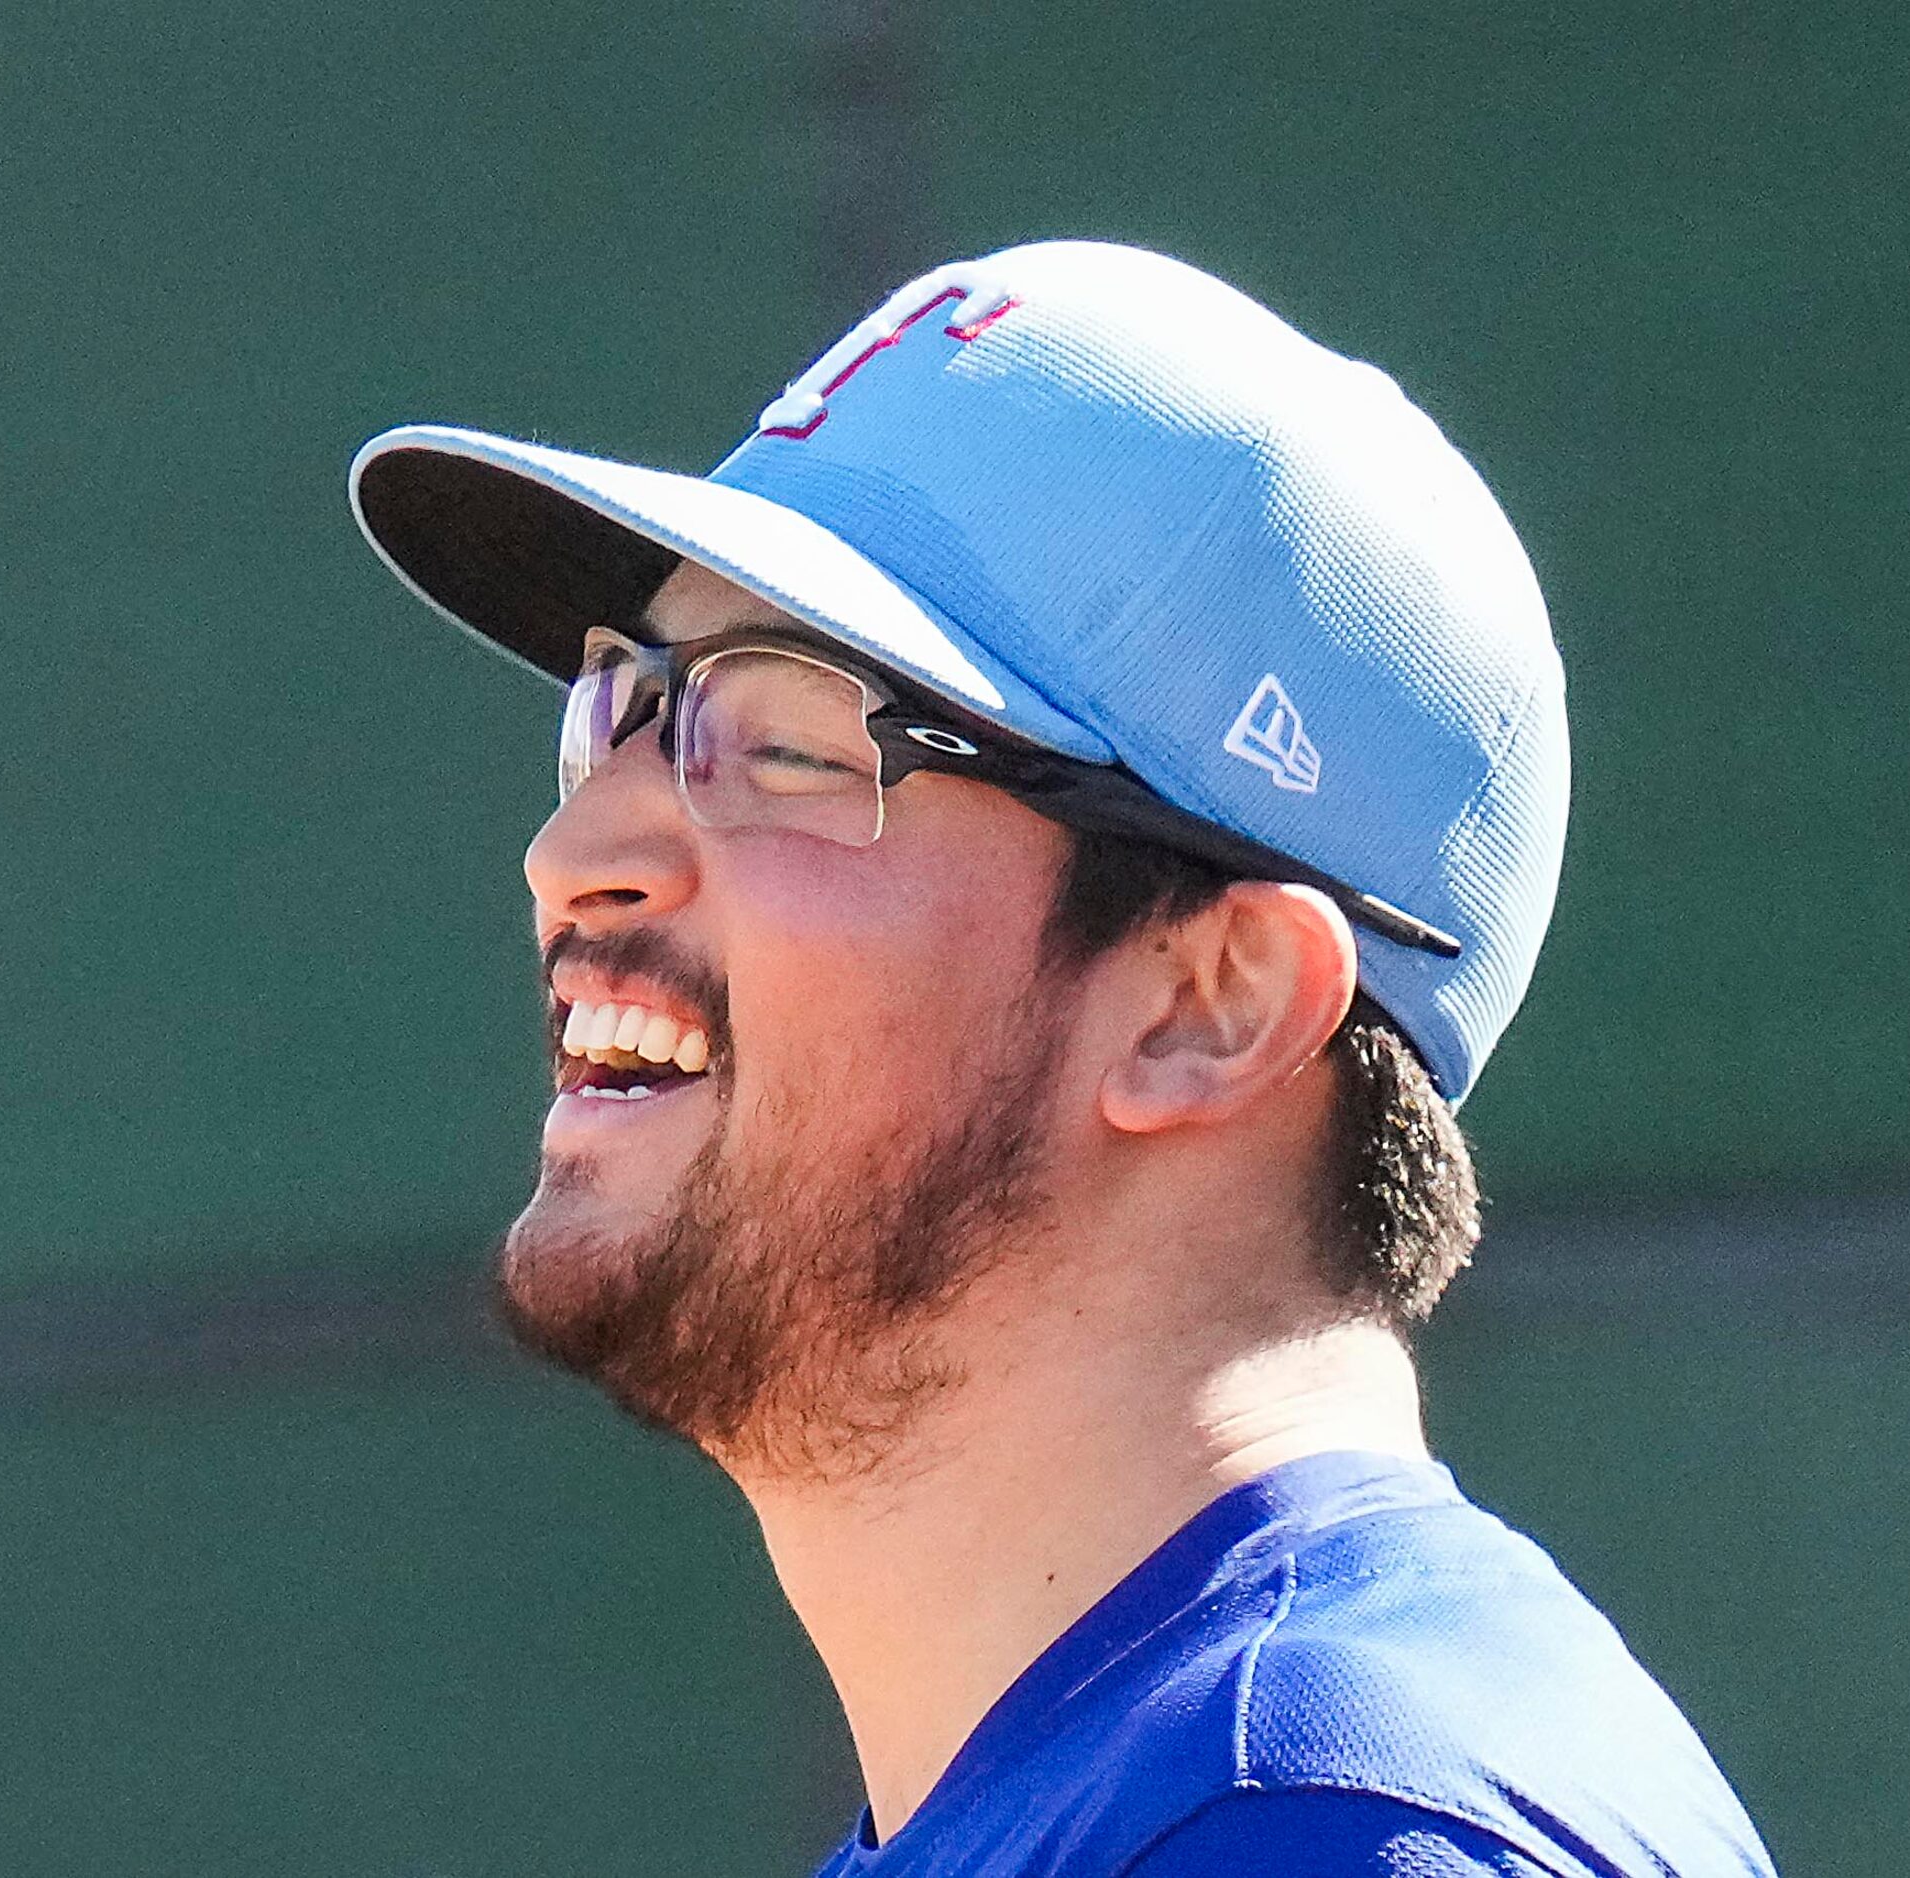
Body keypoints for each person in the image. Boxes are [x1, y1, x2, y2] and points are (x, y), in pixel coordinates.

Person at [345, 241, 1777, 1876]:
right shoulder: (1145, 1793)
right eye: (622, 710)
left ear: (1210, 1001)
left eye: (797, 738)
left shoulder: (1322, 1823)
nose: (574, 848)